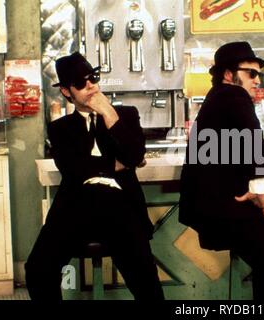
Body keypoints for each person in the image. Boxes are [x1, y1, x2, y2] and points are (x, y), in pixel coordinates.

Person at [178, 42, 264, 301]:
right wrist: (258, 187)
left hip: (209, 206)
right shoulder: (233, 95)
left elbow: (253, 142)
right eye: (251, 73)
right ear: (229, 74)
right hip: (218, 208)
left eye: (258, 74)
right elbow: (253, 137)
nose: (257, 80)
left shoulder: (218, 97)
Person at [25, 52, 163, 301]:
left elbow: (133, 156)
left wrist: (109, 114)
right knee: (37, 268)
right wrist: (115, 165)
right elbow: (73, 169)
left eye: (93, 78)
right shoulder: (60, 128)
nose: (90, 86)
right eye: (80, 83)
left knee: (144, 276)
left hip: (119, 205)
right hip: (76, 206)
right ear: (67, 92)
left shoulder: (126, 115)